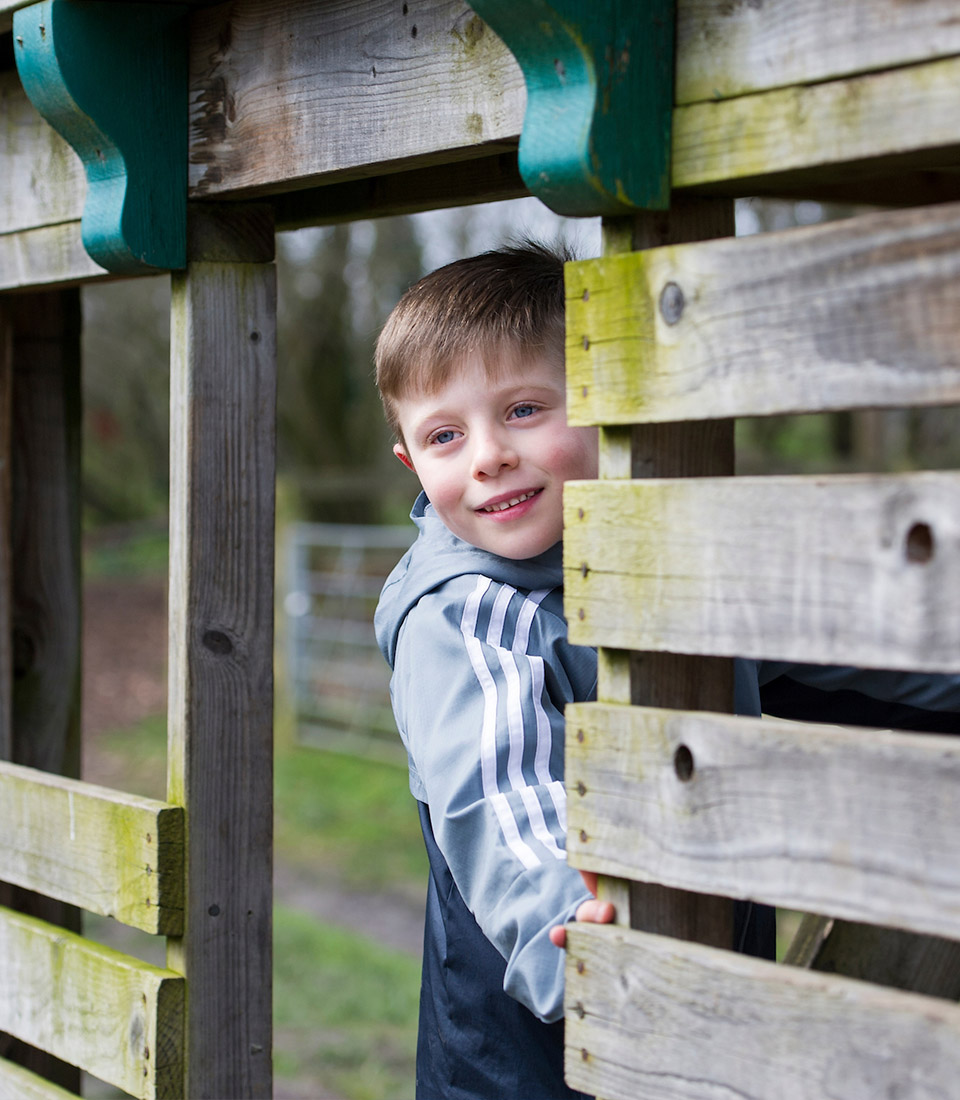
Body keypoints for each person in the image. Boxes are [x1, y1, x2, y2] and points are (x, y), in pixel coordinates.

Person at [373, 242, 960, 1100]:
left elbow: (850, 656)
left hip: (700, 1020)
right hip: (532, 1053)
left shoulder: (665, 570)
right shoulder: (464, 616)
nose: (488, 456)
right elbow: (498, 796)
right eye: (445, 436)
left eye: (526, 409)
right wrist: (566, 924)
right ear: (411, 463)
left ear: (605, 408)